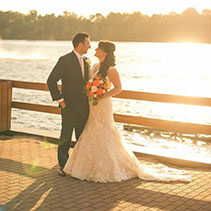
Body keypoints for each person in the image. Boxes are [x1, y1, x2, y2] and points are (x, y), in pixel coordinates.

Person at [63, 40, 191, 183]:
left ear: (104, 51)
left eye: (98, 48)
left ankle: (109, 167)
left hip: (103, 105)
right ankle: (86, 165)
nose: (95, 49)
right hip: (92, 105)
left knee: (105, 131)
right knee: (91, 129)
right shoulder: (94, 66)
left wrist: (102, 95)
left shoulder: (111, 69)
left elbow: (118, 88)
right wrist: (91, 92)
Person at [47, 32, 91, 176]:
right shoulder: (65, 60)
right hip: (69, 106)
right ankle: (63, 166)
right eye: (87, 43)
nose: (89, 46)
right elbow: (51, 80)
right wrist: (60, 100)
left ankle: (78, 165)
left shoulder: (86, 61)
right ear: (80, 44)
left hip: (84, 107)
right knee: (65, 135)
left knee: (81, 137)